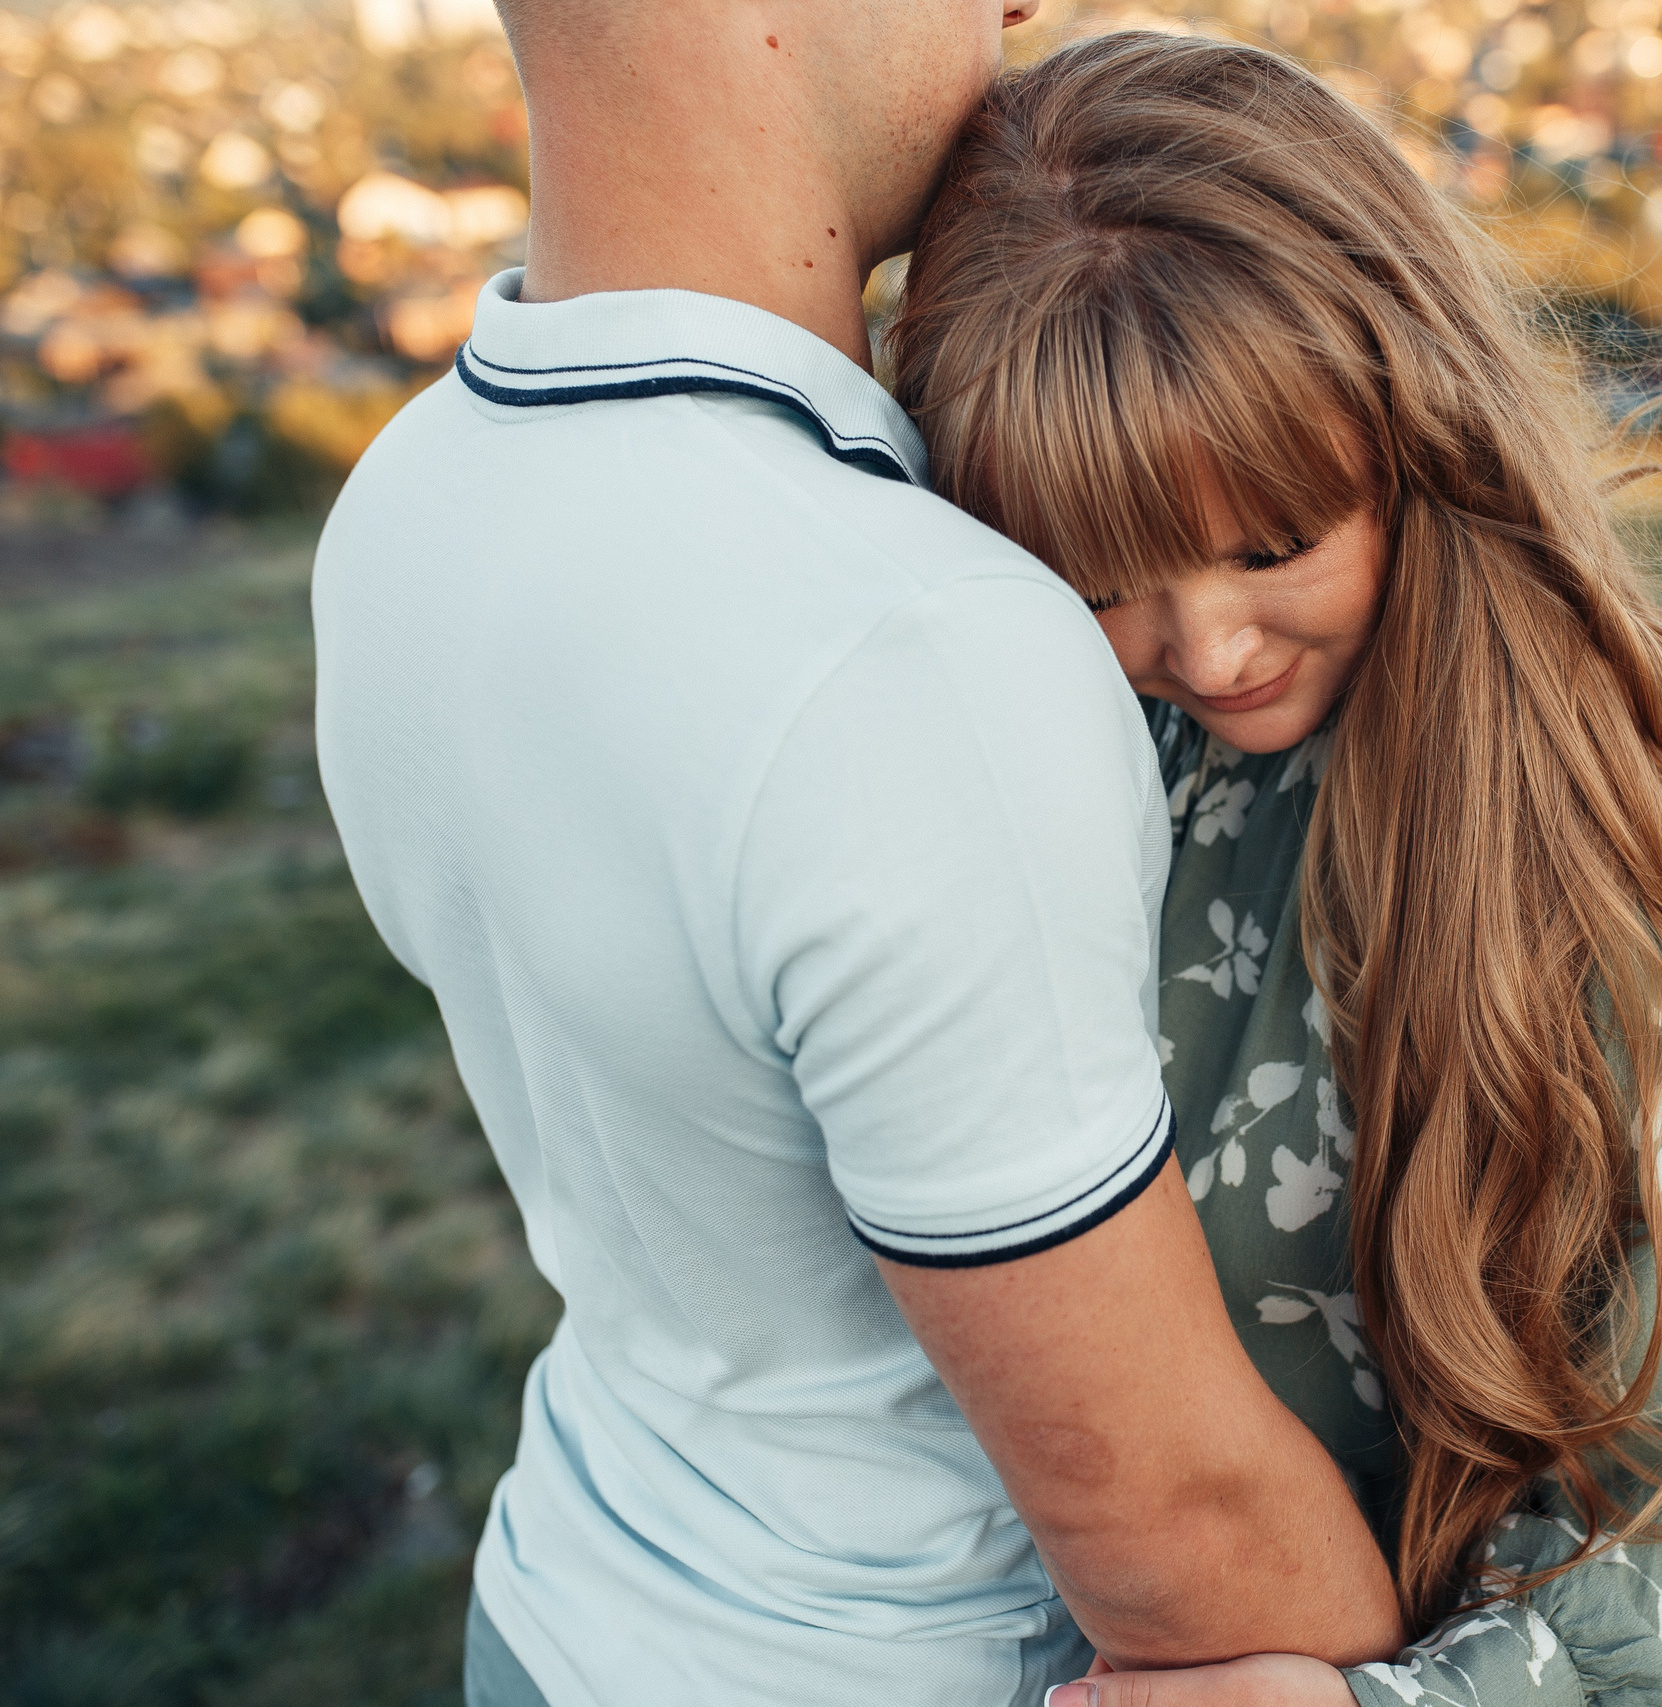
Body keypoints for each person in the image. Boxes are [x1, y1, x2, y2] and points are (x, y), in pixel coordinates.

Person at [311, 5, 1404, 1704]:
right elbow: (1171, 1516)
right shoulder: (914, 647)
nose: (1016, 15)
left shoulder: (407, 504)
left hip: (563, 1604)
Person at [890, 32, 1662, 1707]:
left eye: (1272, 542)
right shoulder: (1062, 744)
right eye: (1098, 575)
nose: (1207, 645)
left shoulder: (1602, 862)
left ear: (1422, 430)